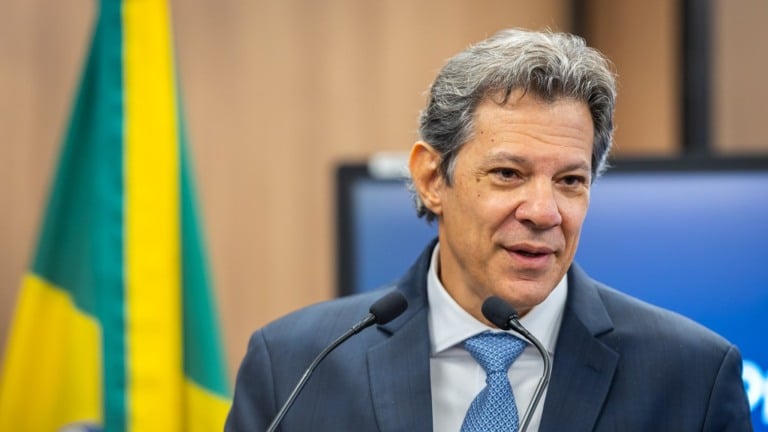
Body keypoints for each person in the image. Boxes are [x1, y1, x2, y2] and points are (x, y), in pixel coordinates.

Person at [225, 28, 752, 431]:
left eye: (570, 180)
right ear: (433, 178)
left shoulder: (692, 377)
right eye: (508, 174)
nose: (544, 212)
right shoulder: (296, 364)